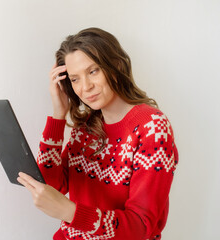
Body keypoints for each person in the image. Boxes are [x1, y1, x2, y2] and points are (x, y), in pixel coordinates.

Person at [17, 27, 179, 240]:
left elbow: (140, 227)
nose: (85, 87)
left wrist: (69, 212)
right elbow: (53, 185)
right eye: (74, 79)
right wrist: (58, 114)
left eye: (93, 71)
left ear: (116, 65)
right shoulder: (86, 128)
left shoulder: (152, 128)